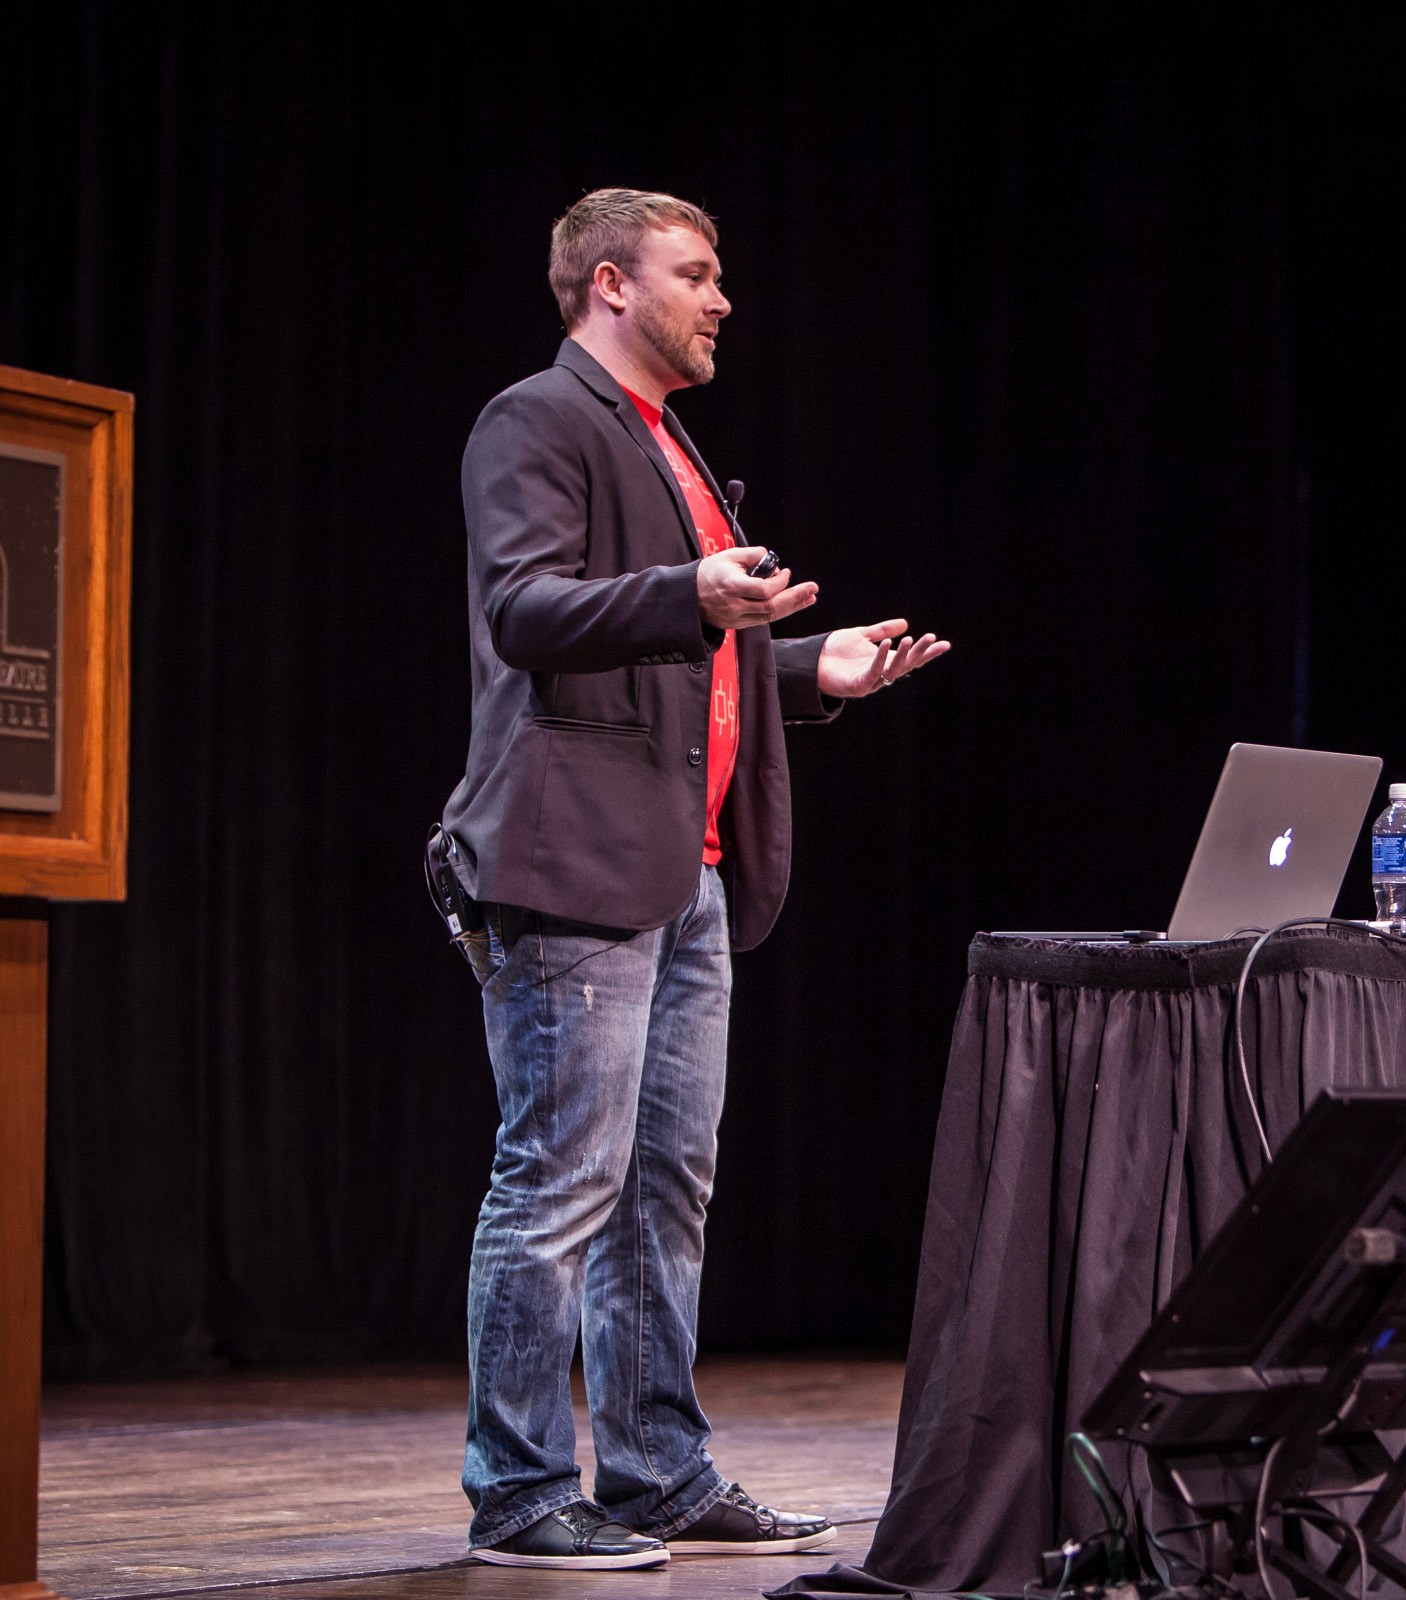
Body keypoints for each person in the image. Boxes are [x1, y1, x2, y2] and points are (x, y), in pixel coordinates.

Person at [438, 188, 950, 1570]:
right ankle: (522, 1489)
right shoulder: (537, 420)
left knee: (665, 1185)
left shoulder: (670, 445)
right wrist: (696, 598)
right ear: (611, 284)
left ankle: (660, 1470)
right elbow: (525, 611)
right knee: (558, 1183)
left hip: (685, 870)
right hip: (574, 864)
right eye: (697, 274)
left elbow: (682, 658)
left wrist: (803, 668)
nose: (722, 299)